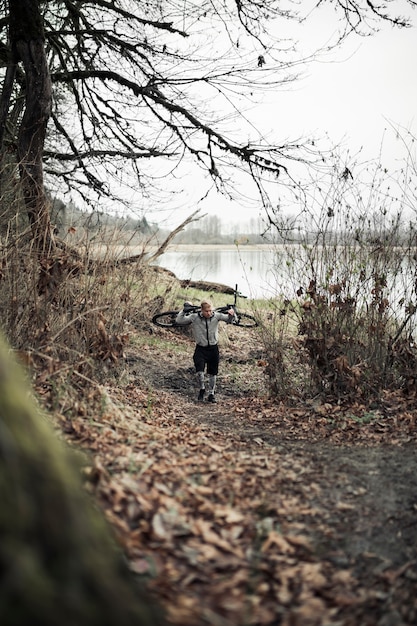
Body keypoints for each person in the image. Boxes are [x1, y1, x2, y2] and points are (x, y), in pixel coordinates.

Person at [175, 299, 236, 403]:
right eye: (206, 311)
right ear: (201, 310)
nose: (209, 313)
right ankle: (202, 389)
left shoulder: (216, 316)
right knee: (200, 371)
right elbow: (179, 320)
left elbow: (230, 320)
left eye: (210, 310)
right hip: (201, 349)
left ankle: (211, 394)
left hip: (213, 348)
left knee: (213, 373)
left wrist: (231, 314)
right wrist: (184, 311)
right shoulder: (195, 317)